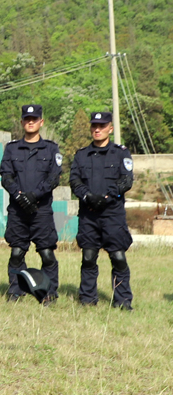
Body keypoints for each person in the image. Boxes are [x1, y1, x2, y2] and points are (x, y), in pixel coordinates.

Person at [70, 110, 134, 310]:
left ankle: (122, 301)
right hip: (89, 214)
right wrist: (88, 196)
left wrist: (107, 196)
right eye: (94, 126)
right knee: (88, 257)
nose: (97, 129)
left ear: (110, 128)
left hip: (112, 214)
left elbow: (126, 180)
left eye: (102, 126)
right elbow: (74, 180)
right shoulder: (81, 155)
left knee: (118, 257)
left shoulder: (121, 153)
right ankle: (88, 299)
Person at [0, 104, 62, 304]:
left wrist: (33, 195)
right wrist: (19, 196)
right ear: (22, 122)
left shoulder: (51, 149)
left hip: (41, 210)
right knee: (17, 252)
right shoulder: (11, 148)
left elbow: (54, 178)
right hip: (18, 211)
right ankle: (16, 290)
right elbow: (6, 176)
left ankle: (49, 292)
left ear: (41, 122)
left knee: (46, 253)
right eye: (27, 119)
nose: (30, 122)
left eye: (34, 119)